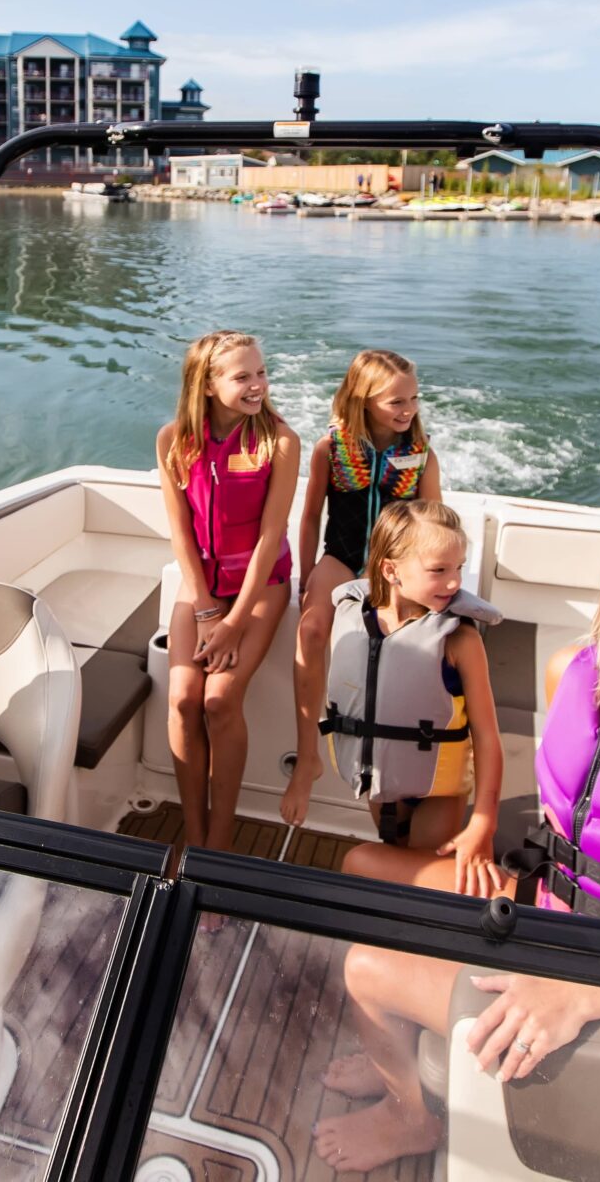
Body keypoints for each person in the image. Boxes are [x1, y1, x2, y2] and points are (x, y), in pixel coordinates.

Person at [312, 527, 600, 1172]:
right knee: (361, 870)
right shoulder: (573, 671)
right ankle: (394, 1049)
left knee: (366, 969)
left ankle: (408, 1115)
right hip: (548, 910)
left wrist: (576, 994)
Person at [305, 502, 506, 896]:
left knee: (420, 882)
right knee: (394, 863)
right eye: (439, 570)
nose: (454, 582)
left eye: (459, 568)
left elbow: (486, 736)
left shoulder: (459, 639)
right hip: (380, 781)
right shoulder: (351, 618)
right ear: (390, 570)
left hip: (439, 792)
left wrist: (484, 821)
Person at [284, 349, 442, 826]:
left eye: (413, 399)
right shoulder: (329, 449)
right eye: (396, 401)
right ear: (363, 400)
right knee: (311, 630)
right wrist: (308, 573)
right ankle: (307, 754)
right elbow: (310, 516)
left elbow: (433, 526)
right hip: (341, 557)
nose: (408, 409)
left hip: (395, 566)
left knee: (401, 647)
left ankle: (396, 767)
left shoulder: (422, 455)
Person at [157, 331, 299, 858]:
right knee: (182, 698)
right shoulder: (173, 439)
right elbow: (180, 533)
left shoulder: (280, 442)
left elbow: (270, 537)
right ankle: (192, 834)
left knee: (218, 700)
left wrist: (234, 622)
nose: (258, 384)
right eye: (243, 376)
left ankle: (219, 843)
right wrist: (206, 611)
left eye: (261, 372)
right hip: (201, 587)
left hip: (261, 588)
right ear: (207, 384)